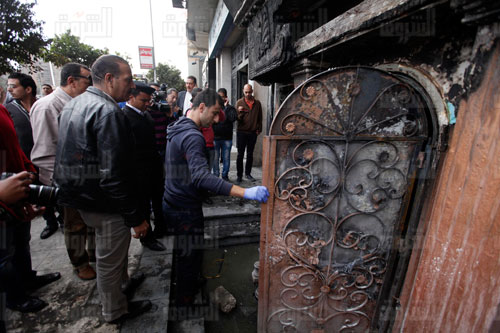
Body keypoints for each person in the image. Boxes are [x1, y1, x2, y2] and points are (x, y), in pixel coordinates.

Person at [53, 55, 152, 324]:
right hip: (105, 204)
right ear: (109, 79)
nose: (131, 87)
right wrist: (135, 217)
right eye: (128, 80)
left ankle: (123, 287)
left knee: (111, 255)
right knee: (108, 262)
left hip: (82, 199)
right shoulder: (108, 112)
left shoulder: (75, 105)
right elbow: (113, 176)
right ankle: (115, 311)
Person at [163, 88, 269, 316]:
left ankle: (188, 289)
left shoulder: (179, 125)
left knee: (185, 255)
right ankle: (185, 305)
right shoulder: (192, 136)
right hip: (184, 209)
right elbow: (201, 177)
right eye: (214, 113)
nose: (218, 119)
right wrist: (245, 192)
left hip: (173, 200)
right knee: (189, 258)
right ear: (201, 107)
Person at [30, 63, 96, 280]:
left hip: (87, 177)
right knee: (75, 225)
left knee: (92, 221)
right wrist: (62, 186)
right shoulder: (47, 106)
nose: (91, 86)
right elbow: (43, 154)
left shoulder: (80, 103)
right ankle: (80, 263)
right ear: (72, 81)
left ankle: (94, 255)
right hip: (68, 181)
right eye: (88, 81)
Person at [0, 103, 61, 318]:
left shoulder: (2, 110)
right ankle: (15, 298)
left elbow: (13, 146)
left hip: (16, 188)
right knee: (3, 256)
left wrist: (27, 170)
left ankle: (27, 278)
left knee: (21, 240)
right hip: (3, 195)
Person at [122, 82, 166, 251]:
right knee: (143, 206)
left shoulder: (145, 114)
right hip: (138, 173)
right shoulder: (123, 117)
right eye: (143, 100)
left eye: (149, 100)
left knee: (158, 201)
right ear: (131, 97)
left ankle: (161, 228)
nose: (148, 103)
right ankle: (147, 239)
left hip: (154, 168)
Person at [5, 73, 37, 159]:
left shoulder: (44, 106)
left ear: (28, 89)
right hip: (24, 164)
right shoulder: (7, 110)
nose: (9, 89)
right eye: (8, 86)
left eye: (13, 86)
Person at [235, 84, 262, 184]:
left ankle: (248, 173)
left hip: (252, 133)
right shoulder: (239, 102)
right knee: (240, 155)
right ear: (243, 91)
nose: (247, 94)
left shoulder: (257, 103)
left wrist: (259, 129)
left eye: (249, 92)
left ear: (252, 91)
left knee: (250, 154)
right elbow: (237, 119)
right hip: (241, 132)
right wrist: (240, 112)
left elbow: (260, 117)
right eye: (246, 92)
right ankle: (239, 175)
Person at [213, 88, 237, 181]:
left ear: (226, 97)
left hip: (227, 138)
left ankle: (225, 175)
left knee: (226, 158)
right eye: (219, 97)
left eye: (222, 97)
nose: (221, 99)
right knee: (215, 159)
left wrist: (226, 108)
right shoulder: (214, 108)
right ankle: (215, 175)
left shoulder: (230, 108)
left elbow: (232, 118)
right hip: (215, 138)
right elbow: (213, 121)